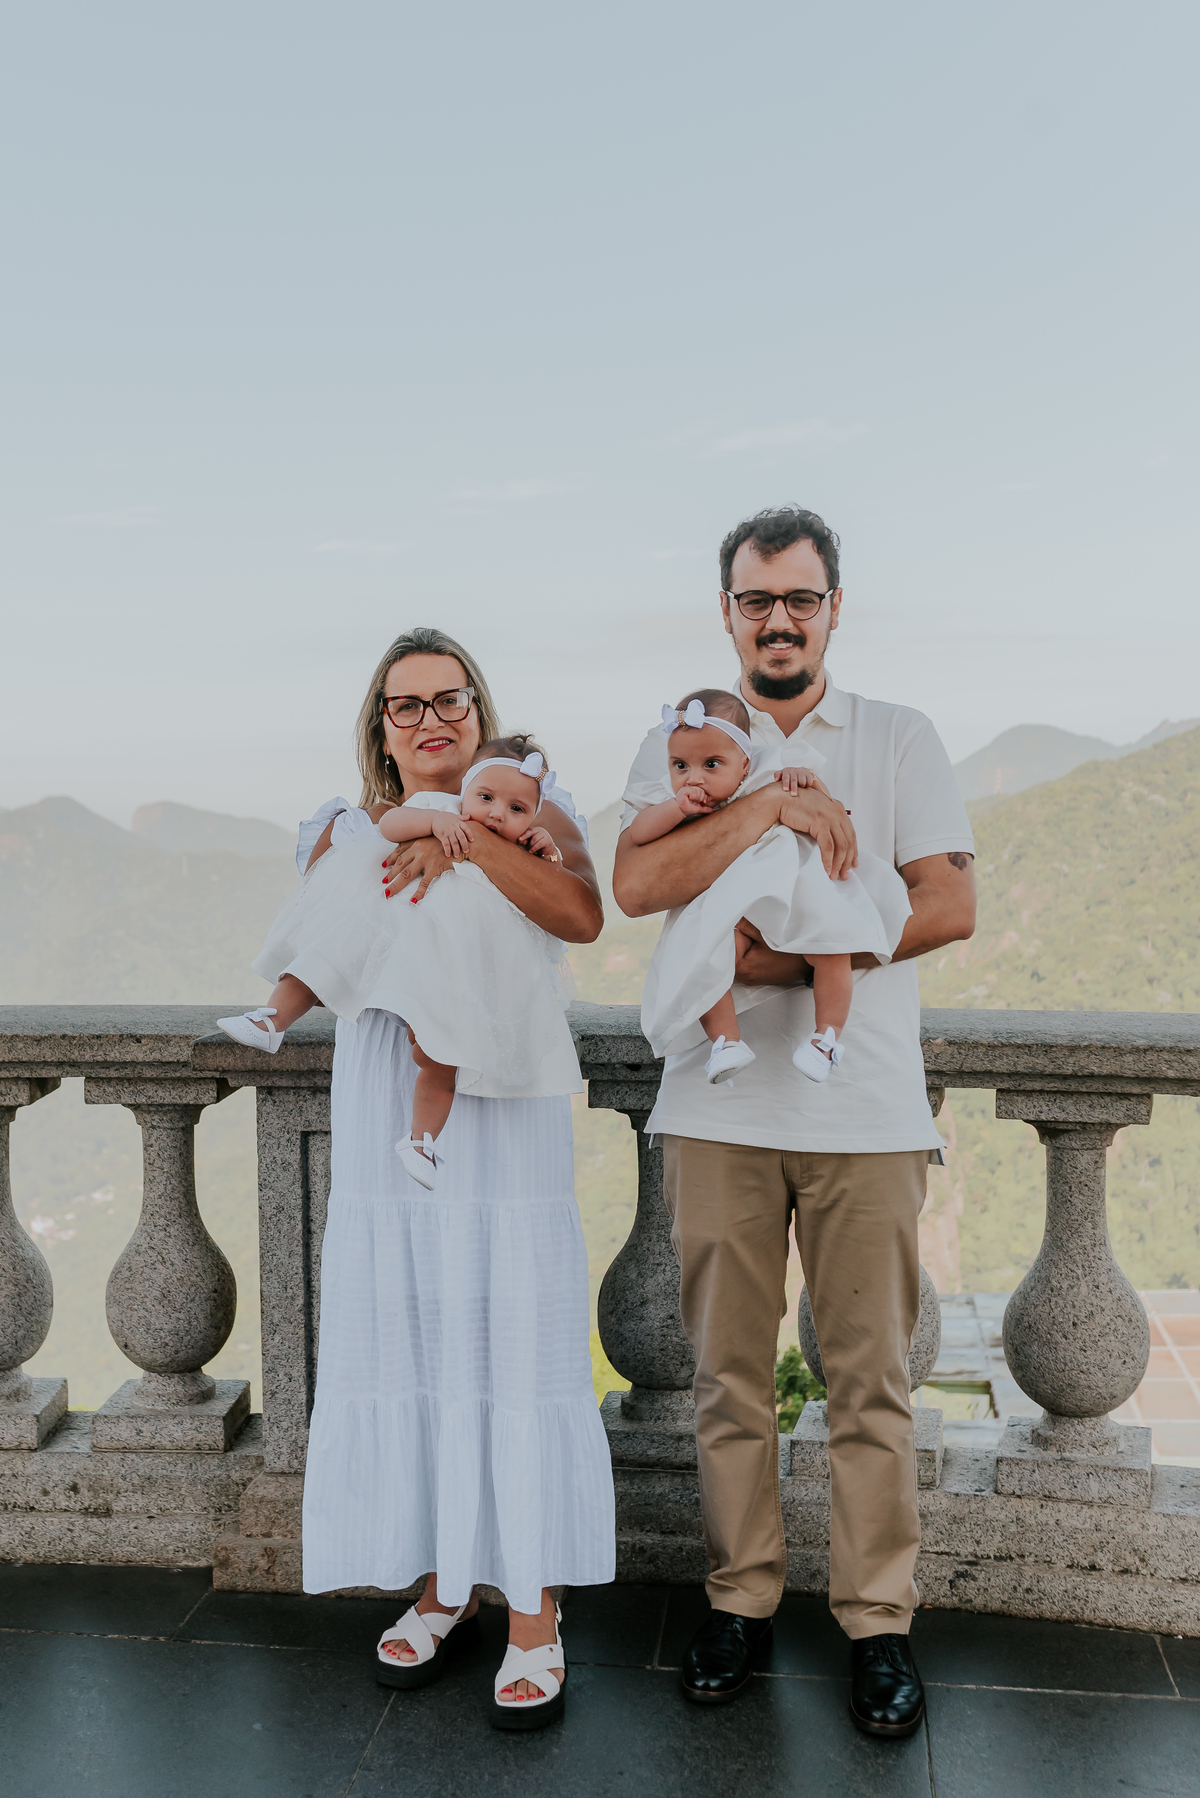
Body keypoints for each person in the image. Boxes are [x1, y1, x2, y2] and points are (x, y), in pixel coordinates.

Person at [613, 506, 975, 1739]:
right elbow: (639, 885)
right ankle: (739, 1599)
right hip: (715, 1111)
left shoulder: (895, 736)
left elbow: (950, 901)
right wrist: (765, 810)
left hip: (866, 1108)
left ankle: (878, 1624)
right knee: (728, 1376)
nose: (779, 619)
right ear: (727, 612)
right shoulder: (686, 739)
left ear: (833, 609)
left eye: (800, 599)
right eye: (757, 599)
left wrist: (788, 959)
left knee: (869, 1380)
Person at [290, 627, 614, 1730]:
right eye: (405, 705)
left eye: (450, 698)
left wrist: (472, 842)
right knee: (423, 1331)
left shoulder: (526, 810)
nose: (430, 719)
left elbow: (580, 912)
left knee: (512, 1331)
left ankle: (533, 1607)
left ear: (479, 708)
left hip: (506, 1096)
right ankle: (443, 1577)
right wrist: (428, 831)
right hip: (397, 1086)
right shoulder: (341, 826)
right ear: (379, 729)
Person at [217, 734, 577, 1188]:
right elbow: (390, 826)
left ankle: (421, 1141)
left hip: (452, 975)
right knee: (325, 957)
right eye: (485, 798)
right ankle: (272, 1020)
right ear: (465, 791)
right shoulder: (439, 809)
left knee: (439, 1057)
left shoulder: (517, 847)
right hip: (395, 947)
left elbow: (550, 895)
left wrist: (546, 850)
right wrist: (433, 821)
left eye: (517, 810)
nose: (496, 814)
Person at [631, 688, 910, 1085]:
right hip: (733, 903)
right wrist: (675, 808)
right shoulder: (671, 797)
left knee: (832, 949)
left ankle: (826, 1038)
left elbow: (824, 807)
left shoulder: (769, 770)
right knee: (707, 955)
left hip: (794, 889)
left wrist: (805, 780)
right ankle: (726, 1042)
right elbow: (640, 834)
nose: (694, 778)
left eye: (712, 764)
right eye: (681, 765)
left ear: (744, 764)